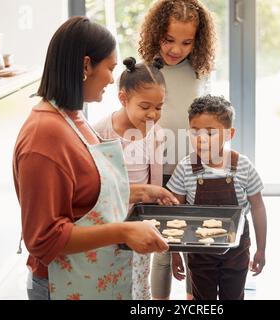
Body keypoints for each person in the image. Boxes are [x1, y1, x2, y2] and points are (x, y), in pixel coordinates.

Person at [13, 16, 178, 300]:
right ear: (86, 66)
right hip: (62, 283)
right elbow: (44, 238)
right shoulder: (45, 135)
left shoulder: (72, 118)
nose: (113, 78)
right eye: (110, 68)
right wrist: (124, 231)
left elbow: (87, 196)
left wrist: (140, 191)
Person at [138, 0, 216, 300]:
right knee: (162, 244)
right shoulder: (144, 70)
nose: (176, 49)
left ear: (197, 41)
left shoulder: (199, 70)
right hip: (158, 170)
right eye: (168, 39)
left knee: (193, 240)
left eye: (186, 42)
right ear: (156, 32)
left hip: (194, 168)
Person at [168, 95, 267, 300]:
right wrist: (174, 252)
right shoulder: (186, 167)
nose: (201, 139)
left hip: (237, 251)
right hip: (199, 253)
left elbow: (258, 207)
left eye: (211, 133)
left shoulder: (243, 166)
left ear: (229, 134)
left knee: (234, 296)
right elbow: (174, 212)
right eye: (194, 132)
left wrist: (261, 249)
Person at [94, 56, 167, 300]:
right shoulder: (100, 131)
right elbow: (96, 180)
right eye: (145, 107)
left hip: (139, 222)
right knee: (111, 279)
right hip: (108, 222)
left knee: (139, 282)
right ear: (123, 99)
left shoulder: (155, 135)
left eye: (159, 107)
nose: (153, 115)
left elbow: (154, 184)